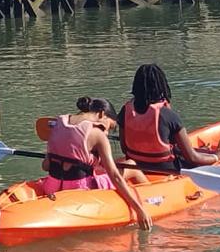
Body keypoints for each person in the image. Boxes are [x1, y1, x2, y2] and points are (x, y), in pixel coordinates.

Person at [40, 96, 154, 229]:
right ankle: (153, 199)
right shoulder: (97, 134)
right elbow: (115, 177)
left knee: (119, 163)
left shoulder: (57, 124)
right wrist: (138, 209)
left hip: (51, 187)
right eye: (110, 126)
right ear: (101, 114)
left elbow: (45, 166)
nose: (107, 132)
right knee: (132, 165)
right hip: (79, 189)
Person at [118, 64, 220, 176]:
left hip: (137, 166)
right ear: (161, 86)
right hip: (166, 169)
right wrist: (217, 155)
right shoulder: (169, 116)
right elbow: (192, 158)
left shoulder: (125, 111)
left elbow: (124, 149)